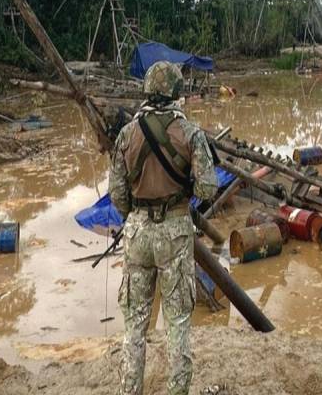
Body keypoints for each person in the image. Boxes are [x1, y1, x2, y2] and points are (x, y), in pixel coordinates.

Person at [109, 61, 218, 395]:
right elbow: (207, 189)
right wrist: (181, 198)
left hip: (137, 232)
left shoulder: (127, 134)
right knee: (179, 323)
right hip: (175, 231)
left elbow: (117, 195)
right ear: (176, 91)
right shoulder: (190, 133)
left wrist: (138, 212)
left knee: (134, 325)